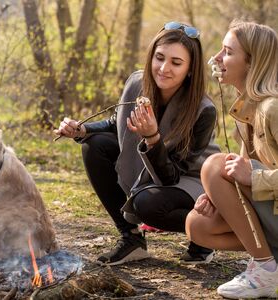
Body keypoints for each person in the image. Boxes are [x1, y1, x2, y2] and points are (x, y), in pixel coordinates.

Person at [54, 21, 220, 266]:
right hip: (152, 165)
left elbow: (170, 175)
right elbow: (117, 122)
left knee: (147, 205)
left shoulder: (203, 110)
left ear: (191, 69)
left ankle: (204, 235)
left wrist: (153, 138)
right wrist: (82, 129)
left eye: (176, 63)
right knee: (95, 144)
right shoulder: (137, 83)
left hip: (192, 180)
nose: (163, 68)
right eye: (159, 57)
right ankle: (131, 239)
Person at [185, 20, 278, 299]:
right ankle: (270, 261)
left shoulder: (273, 108)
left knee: (214, 164)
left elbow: (246, 173)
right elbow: (239, 169)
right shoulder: (244, 109)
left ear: (251, 62)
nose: (216, 58)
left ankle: (266, 271)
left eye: (227, 51)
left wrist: (253, 177)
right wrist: (216, 197)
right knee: (197, 225)